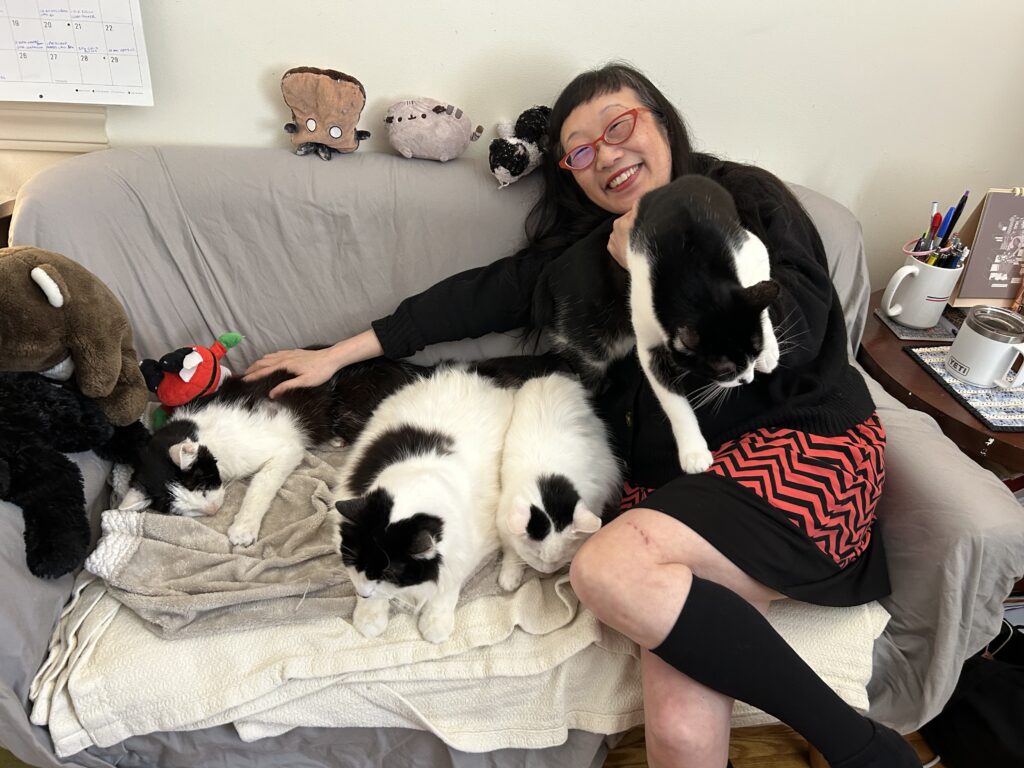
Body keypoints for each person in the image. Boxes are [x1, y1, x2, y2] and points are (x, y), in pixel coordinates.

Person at [245, 63, 918, 768]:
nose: (608, 154)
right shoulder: (587, 254)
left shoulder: (742, 196)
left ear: (662, 121)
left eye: (620, 125)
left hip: (800, 449)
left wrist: (656, 266)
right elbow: (472, 299)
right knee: (680, 735)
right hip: (679, 492)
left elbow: (801, 333)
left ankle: (859, 746)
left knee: (606, 568)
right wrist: (335, 356)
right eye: (582, 151)